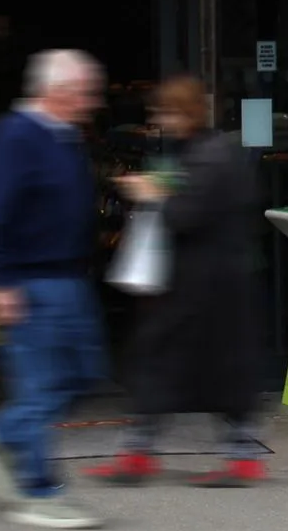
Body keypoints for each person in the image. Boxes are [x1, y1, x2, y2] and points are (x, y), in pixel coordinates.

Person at [88, 75, 269, 486]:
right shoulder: (212, 153)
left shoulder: (209, 156)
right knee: (191, 370)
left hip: (202, 289)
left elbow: (186, 215)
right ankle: (226, 454)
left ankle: (146, 452)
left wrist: (152, 194)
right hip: (207, 286)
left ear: (184, 112)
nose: (160, 120)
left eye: (166, 111)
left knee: (166, 365)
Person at [0, 49, 109, 530]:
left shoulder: (64, 137)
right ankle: (36, 491)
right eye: (86, 90)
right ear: (58, 91)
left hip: (67, 277)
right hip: (31, 279)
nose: (93, 100)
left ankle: (0, 438)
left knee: (83, 374)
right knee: (41, 387)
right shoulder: (18, 136)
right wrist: (1, 279)